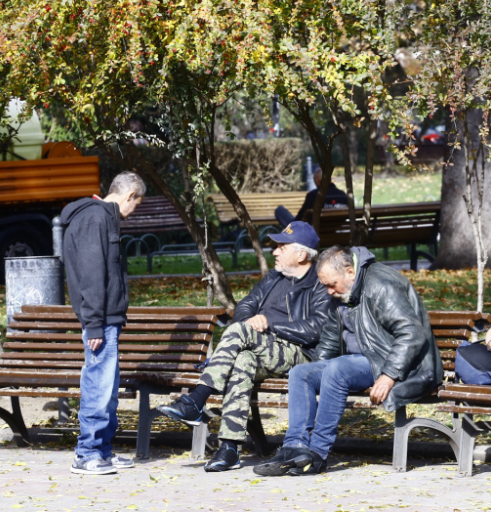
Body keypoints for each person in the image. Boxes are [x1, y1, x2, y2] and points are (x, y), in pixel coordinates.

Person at [156, 221, 332, 472]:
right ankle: (229, 448)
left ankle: (197, 399)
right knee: (242, 361)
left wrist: (269, 323)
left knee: (241, 331)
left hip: (300, 354)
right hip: (261, 349)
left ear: (301, 254)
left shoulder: (319, 283)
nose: (275, 252)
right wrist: (252, 321)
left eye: (282, 246)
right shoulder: (273, 279)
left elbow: (317, 328)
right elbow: (245, 306)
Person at [253, 245, 442, 477]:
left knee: (337, 369)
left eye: (331, 285)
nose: (329, 291)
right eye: (325, 286)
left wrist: (389, 375)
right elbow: (331, 338)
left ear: (350, 272)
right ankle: (294, 447)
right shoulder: (342, 290)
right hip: (360, 361)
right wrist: (316, 369)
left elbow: (412, 333)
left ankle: (317, 454)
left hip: (396, 361)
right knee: (301, 373)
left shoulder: (381, 285)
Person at [61, 171, 146, 475]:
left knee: (106, 389)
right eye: (136, 203)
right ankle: (88, 453)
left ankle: (103, 451)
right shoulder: (96, 219)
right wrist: (94, 323)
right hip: (101, 319)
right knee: (98, 386)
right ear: (129, 196)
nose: (134, 210)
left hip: (106, 318)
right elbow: (93, 275)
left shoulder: (101, 217)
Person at [275, 167, 348, 227]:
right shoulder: (343, 195)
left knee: (279, 210)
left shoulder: (314, 196)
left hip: (315, 233)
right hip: (336, 230)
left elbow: (300, 218)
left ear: (317, 179)